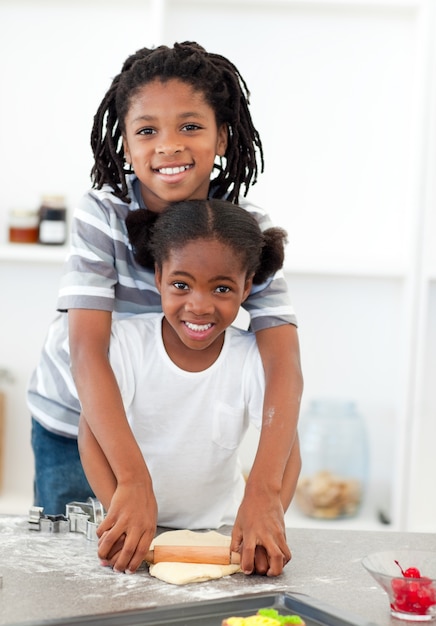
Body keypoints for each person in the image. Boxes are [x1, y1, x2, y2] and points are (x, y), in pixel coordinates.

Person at [27, 41, 303, 577]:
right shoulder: (102, 213)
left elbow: (282, 365)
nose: (168, 146)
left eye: (191, 127)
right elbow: (88, 352)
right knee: (74, 575)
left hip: (164, 431)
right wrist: (132, 480)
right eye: (147, 130)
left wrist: (266, 489)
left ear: (223, 135)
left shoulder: (244, 224)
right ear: (125, 144)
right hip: (74, 424)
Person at [78, 199, 301, 576]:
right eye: (181, 285)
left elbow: (287, 446)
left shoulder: (250, 359)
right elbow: (91, 432)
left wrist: (268, 514)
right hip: (141, 530)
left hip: (219, 531)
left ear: (247, 288)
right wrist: (120, 507)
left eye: (222, 289)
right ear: (158, 278)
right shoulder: (129, 345)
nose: (199, 306)